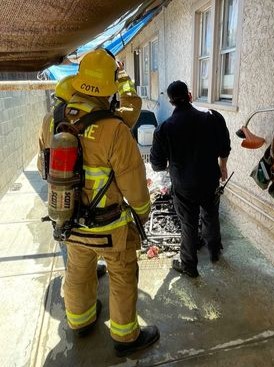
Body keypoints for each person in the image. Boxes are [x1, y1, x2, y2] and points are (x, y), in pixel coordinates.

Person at [46, 49, 160, 357]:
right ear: (108, 90)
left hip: (69, 220)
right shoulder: (115, 129)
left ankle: (80, 321)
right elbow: (134, 184)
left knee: (79, 270)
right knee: (122, 275)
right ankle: (126, 338)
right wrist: (142, 214)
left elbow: (48, 169)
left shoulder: (53, 121)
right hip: (110, 227)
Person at [150, 80, 231, 278]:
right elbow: (225, 147)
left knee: (188, 223)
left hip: (184, 185)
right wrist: (223, 167)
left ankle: (189, 265)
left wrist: (173, 165)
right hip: (209, 180)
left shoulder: (164, 128)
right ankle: (214, 251)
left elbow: (157, 165)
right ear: (190, 95)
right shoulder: (212, 118)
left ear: (171, 102)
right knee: (211, 214)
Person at [37, 75, 107, 277]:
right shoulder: (78, 119)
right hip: (78, 182)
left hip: (56, 181)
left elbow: (42, 150)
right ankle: (83, 274)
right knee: (79, 231)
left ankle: (82, 269)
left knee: (65, 225)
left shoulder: (48, 118)